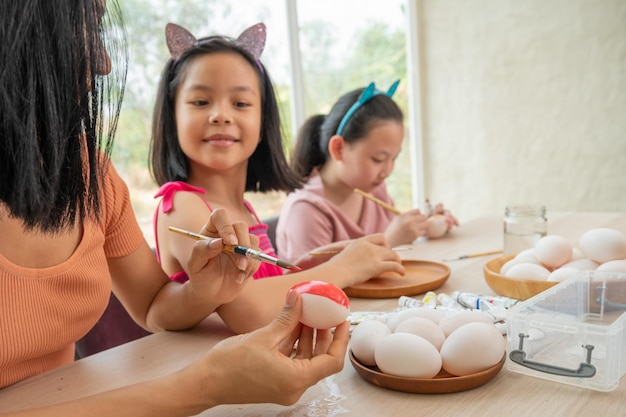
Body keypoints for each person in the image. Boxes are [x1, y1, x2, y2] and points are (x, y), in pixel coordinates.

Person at [0, 1, 349, 414]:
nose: (104, 64)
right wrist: (205, 386)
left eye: (241, 103)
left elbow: (152, 305)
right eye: (87, 29)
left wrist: (202, 290)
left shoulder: (93, 175)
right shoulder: (179, 203)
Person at [150, 22, 405, 334]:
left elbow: (265, 287)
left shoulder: (240, 207)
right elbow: (250, 311)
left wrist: (314, 265)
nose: (221, 115)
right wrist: (344, 268)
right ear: (172, 116)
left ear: (263, 120)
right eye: (201, 102)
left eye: (241, 103)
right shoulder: (181, 204)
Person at [276, 81, 459, 262]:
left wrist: (427, 227)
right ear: (339, 148)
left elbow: (396, 254)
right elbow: (309, 286)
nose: (387, 171)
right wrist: (389, 240)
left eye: (393, 159)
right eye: (378, 159)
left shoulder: (375, 192)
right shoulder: (306, 211)